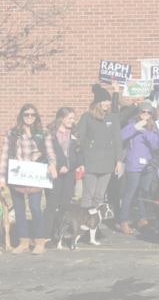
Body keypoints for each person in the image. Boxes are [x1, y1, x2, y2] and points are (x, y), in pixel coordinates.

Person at [1, 104, 57, 255]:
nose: (29, 117)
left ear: (36, 116)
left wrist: (52, 163)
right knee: (19, 211)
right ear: (21, 116)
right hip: (17, 174)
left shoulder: (43, 132)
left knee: (35, 208)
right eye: (26, 114)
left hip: (35, 174)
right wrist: (1, 177)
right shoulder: (12, 133)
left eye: (32, 114)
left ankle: (39, 241)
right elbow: (5, 155)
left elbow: (50, 151)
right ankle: (23, 242)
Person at [118, 102, 159, 234]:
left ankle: (143, 219)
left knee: (143, 193)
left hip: (148, 165)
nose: (145, 114)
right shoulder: (132, 124)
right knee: (130, 193)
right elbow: (120, 137)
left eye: (148, 112)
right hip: (134, 164)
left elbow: (155, 145)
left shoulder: (152, 127)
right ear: (139, 112)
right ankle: (123, 221)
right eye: (143, 111)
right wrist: (135, 127)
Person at [42, 107, 82, 249]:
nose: (72, 121)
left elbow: (78, 150)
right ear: (61, 118)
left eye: (73, 118)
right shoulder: (50, 132)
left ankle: (57, 233)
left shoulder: (74, 133)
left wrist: (80, 164)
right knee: (52, 205)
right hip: (55, 173)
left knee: (64, 205)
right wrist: (58, 165)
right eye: (69, 118)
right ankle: (45, 237)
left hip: (70, 173)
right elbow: (46, 151)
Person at [78, 84, 123, 209]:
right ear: (98, 102)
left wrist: (118, 161)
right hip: (90, 162)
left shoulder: (113, 118)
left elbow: (118, 141)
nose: (107, 103)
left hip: (108, 163)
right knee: (88, 195)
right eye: (104, 100)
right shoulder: (86, 117)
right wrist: (80, 162)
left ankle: (94, 226)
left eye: (108, 100)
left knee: (99, 196)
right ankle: (85, 224)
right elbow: (79, 141)